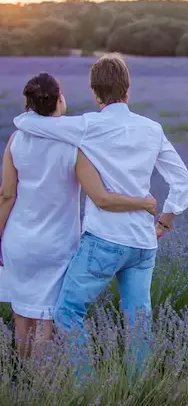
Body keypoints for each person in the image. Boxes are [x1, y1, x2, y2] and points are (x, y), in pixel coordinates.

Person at [13, 54, 188, 372]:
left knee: (68, 313)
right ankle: (138, 390)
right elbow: (182, 180)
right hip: (142, 244)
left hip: (105, 241)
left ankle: (88, 386)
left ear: (95, 93)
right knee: (139, 324)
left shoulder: (88, 126)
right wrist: (165, 220)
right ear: (128, 89)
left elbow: (26, 122)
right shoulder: (152, 129)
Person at [0, 72, 157, 357]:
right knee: (47, 318)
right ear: (60, 100)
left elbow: (6, 196)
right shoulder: (74, 146)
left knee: (22, 312)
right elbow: (100, 197)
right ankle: (43, 386)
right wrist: (143, 202)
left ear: (28, 106)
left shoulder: (15, 140)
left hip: (18, 241)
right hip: (57, 244)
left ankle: (23, 382)